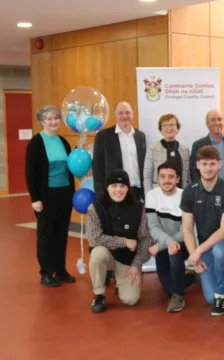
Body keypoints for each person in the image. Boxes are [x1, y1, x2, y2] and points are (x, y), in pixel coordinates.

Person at [181, 145, 224, 316]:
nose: (208, 168)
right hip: (205, 246)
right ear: (197, 165)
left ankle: (221, 295)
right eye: (204, 164)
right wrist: (194, 256)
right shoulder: (189, 192)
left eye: (212, 164)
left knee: (220, 251)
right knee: (208, 298)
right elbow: (187, 228)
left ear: (219, 164)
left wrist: (198, 250)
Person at [87, 170, 153, 313]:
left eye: (122, 186)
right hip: (106, 255)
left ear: (128, 188)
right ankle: (99, 294)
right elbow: (94, 239)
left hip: (127, 260)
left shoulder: (138, 208)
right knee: (97, 254)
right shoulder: (95, 208)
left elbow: (146, 239)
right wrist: (124, 242)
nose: (118, 190)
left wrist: (136, 264)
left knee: (131, 300)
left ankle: (120, 282)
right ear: (107, 188)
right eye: (114, 186)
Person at [25, 105, 76, 287]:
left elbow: (71, 167)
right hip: (46, 195)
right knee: (46, 234)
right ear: (42, 121)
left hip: (65, 193)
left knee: (61, 233)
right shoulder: (36, 143)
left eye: (56, 118)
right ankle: (46, 272)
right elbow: (30, 173)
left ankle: (60, 270)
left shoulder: (63, 141)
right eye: (49, 119)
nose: (53, 121)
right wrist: (35, 199)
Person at [145, 162, 191, 313]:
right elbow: (153, 227)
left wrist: (162, 245)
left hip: (183, 244)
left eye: (171, 177)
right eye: (162, 177)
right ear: (157, 179)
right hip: (164, 243)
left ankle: (178, 296)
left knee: (174, 254)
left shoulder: (185, 196)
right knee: (167, 288)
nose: (167, 180)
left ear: (178, 179)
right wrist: (168, 242)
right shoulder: (151, 195)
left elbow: (186, 231)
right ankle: (191, 278)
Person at [93, 101, 146, 200]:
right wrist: (101, 193)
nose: (124, 116)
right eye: (120, 113)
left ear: (133, 114)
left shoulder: (140, 136)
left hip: (137, 192)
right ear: (115, 115)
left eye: (127, 112)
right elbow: (97, 167)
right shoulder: (103, 136)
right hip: (115, 193)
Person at [142, 113, 190, 194]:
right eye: (165, 126)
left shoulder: (185, 150)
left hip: (180, 194)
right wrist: (149, 195)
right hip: (159, 194)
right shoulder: (153, 148)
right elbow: (147, 175)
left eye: (172, 125)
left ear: (177, 128)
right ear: (161, 130)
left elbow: (187, 176)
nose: (169, 128)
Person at [190, 109, 224, 189]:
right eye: (213, 120)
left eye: (219, 119)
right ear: (207, 124)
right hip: (208, 190)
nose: (217, 123)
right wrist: (200, 190)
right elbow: (194, 171)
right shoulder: (198, 145)